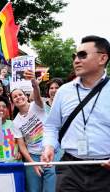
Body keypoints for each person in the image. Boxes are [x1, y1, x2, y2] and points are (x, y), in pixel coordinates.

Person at [41, 35, 110, 192]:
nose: (76, 60)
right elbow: (51, 126)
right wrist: (49, 147)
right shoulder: (64, 91)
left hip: (105, 171)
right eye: (75, 56)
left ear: (102, 58)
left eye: (82, 55)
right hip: (69, 169)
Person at [11, 70, 56, 192]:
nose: (18, 97)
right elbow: (21, 145)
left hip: (49, 151)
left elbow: (36, 94)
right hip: (33, 156)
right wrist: (32, 163)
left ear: (26, 97)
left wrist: (34, 83)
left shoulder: (36, 105)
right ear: (13, 103)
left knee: (50, 188)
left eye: (20, 95)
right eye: (15, 97)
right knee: (34, 189)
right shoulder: (15, 122)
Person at [0, 96, 21, 162]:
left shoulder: (14, 124)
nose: (1, 109)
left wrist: (20, 153)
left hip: (15, 164)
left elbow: (22, 143)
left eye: (4, 107)